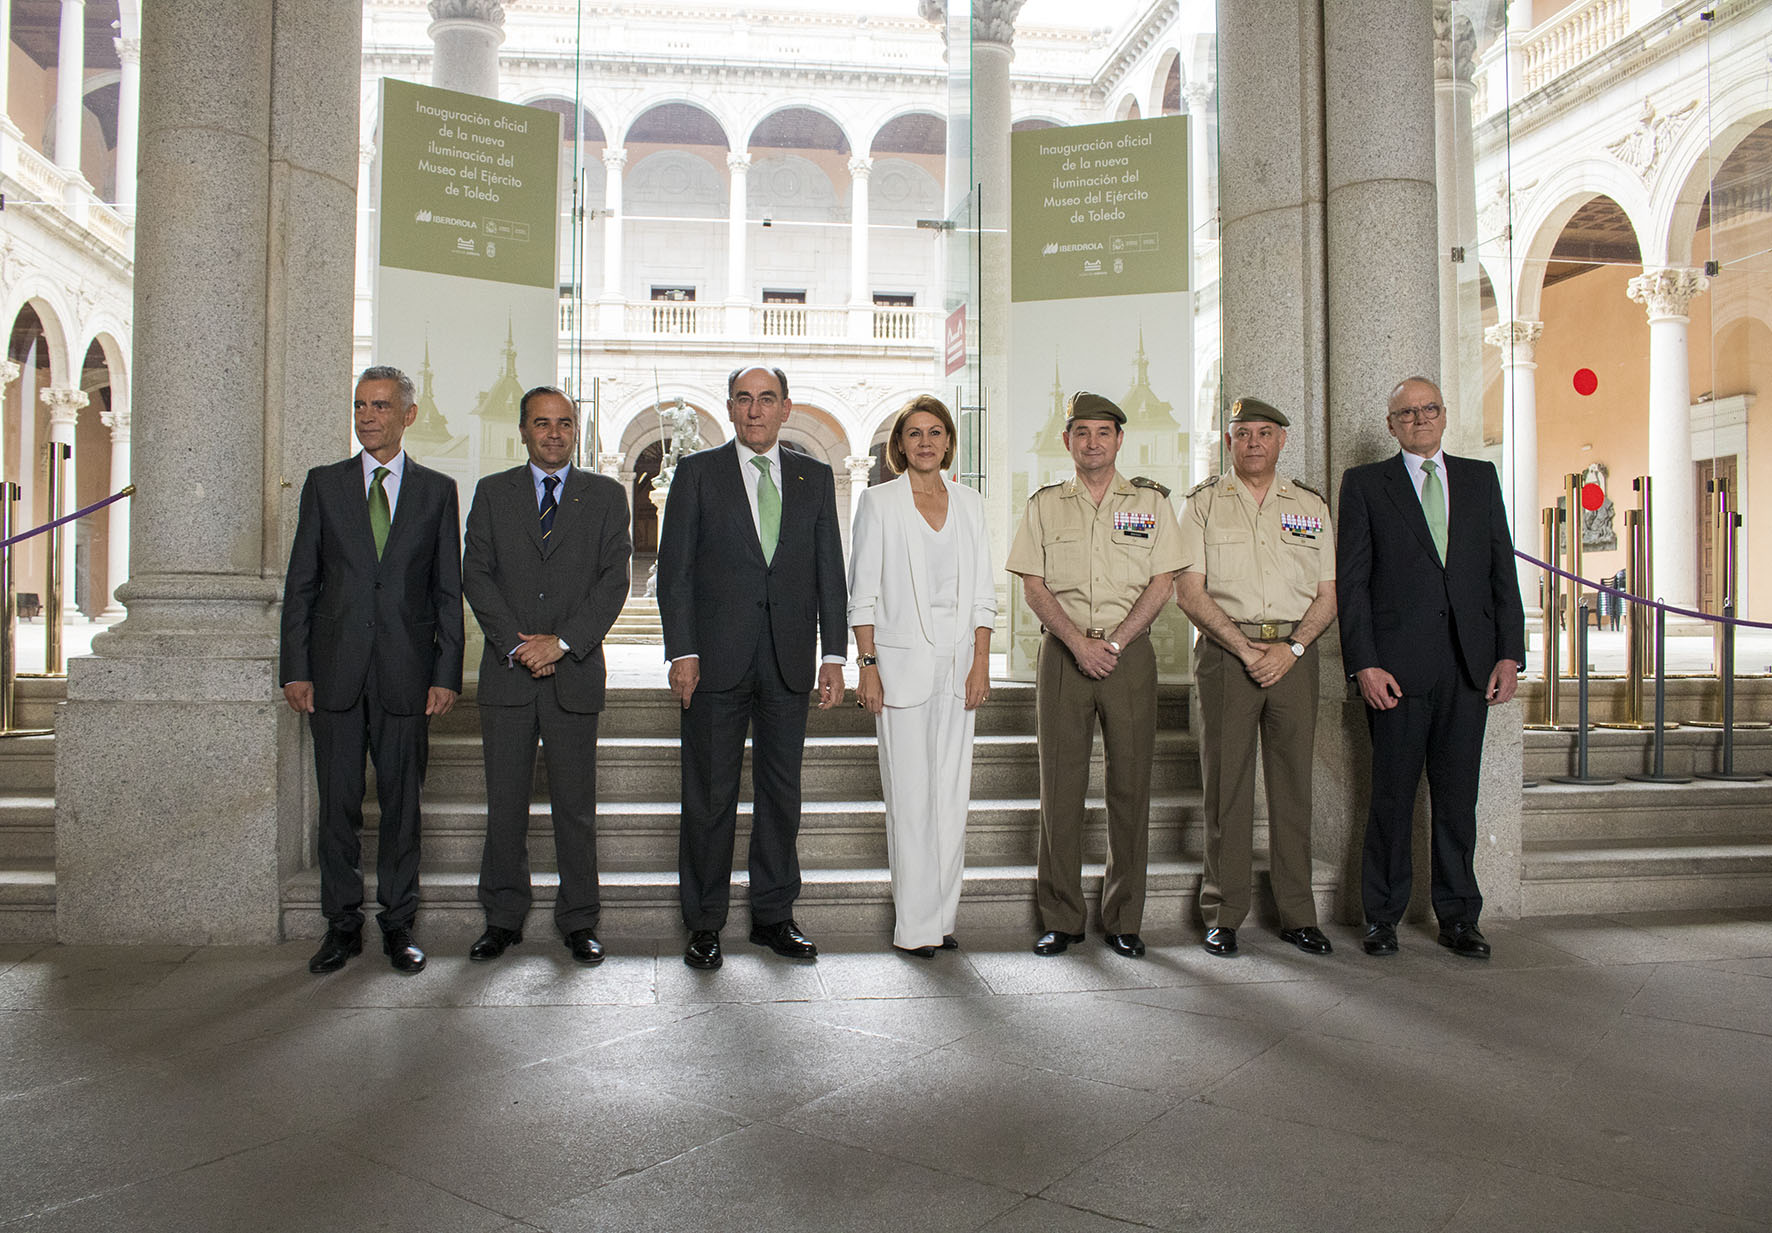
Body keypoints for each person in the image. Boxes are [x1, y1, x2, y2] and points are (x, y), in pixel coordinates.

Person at [657, 364, 848, 971]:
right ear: (731, 408)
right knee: (709, 797)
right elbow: (675, 572)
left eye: (767, 399)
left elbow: (829, 572)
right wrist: (682, 650)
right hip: (713, 662)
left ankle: (772, 915)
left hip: (788, 661)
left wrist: (834, 655)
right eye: (744, 399)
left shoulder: (814, 478)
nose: (755, 410)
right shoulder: (697, 473)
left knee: (780, 796)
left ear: (786, 408)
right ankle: (705, 923)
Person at [280, 365, 464, 975]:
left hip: (408, 675)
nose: (367, 416)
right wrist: (295, 668)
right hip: (332, 675)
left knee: (402, 807)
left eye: (381, 406)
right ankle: (340, 926)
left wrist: (446, 673)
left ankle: (397, 925)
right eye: (360, 405)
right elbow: (301, 584)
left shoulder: (437, 492)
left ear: (408, 415)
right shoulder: (324, 485)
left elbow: (445, 592)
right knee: (337, 805)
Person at [1337, 376, 1525, 959]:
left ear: (1445, 416)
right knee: (1391, 798)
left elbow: (1502, 573)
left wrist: (1510, 654)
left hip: (1469, 668)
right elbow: (1354, 584)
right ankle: (1383, 917)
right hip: (1395, 672)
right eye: (1406, 414)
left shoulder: (1479, 478)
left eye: (1429, 410)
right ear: (1390, 425)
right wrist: (1364, 664)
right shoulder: (1366, 485)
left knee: (1456, 799)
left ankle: (1460, 917)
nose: (1419, 420)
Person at [1005, 391, 1182, 958]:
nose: (1092, 443)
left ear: (1119, 440)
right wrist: (1078, 643)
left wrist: (1116, 641)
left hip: (1128, 657)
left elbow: (1163, 582)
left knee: (1130, 787)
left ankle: (1125, 918)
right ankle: (1062, 917)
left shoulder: (1152, 503)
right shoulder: (1044, 505)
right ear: (1067, 441)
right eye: (1081, 433)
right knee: (1061, 790)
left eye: (1103, 433)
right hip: (1064, 655)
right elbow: (1032, 584)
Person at [460, 386, 631, 966]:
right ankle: (502, 918)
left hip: (574, 674)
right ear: (523, 431)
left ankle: (579, 920)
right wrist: (518, 645)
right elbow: (476, 575)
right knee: (505, 805)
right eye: (541, 423)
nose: (553, 433)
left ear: (574, 431)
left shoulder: (606, 496)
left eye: (563, 423)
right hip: (509, 677)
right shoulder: (492, 493)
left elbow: (614, 581)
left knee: (575, 808)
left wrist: (559, 643)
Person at [1175, 397, 1336, 959]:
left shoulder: (1310, 506)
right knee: (1228, 787)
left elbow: (1327, 594)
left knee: (1293, 785)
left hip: (1295, 653)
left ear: (1281, 441)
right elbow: (1188, 592)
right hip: (1226, 653)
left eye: (1264, 433)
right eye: (1242, 434)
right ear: (1228, 441)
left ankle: (1298, 914)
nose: (1253, 443)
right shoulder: (1201, 505)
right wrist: (1245, 649)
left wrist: (1291, 648)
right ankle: (1224, 912)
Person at [848, 396, 996, 958]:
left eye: (936, 432)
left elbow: (983, 593)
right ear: (900, 445)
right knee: (910, 798)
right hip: (900, 663)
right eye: (915, 434)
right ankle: (914, 929)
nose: (926, 442)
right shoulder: (879, 502)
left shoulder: (970, 504)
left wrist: (981, 662)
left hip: (960, 664)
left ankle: (942, 918)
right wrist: (868, 667)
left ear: (949, 442)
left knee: (951, 796)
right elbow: (862, 594)